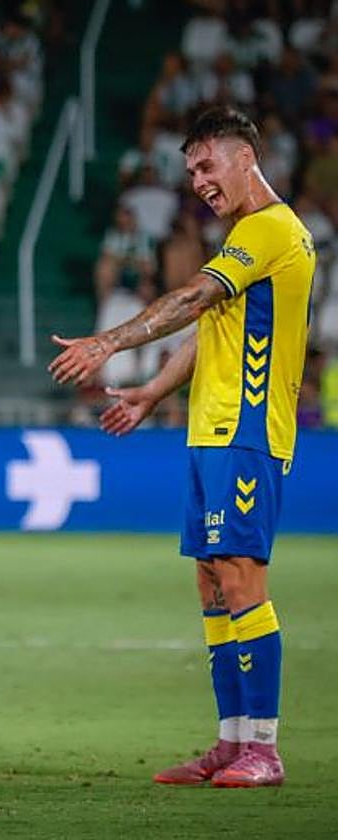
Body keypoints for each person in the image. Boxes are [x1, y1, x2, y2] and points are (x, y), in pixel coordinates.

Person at [49, 106, 315, 788]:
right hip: (212, 430)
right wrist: (151, 392)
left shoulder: (272, 229)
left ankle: (266, 747)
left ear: (245, 159)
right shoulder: (242, 242)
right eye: (190, 169)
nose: (197, 181)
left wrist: (110, 342)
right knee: (210, 581)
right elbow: (211, 331)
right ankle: (230, 742)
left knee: (240, 576)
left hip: (249, 432)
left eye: (206, 165)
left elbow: (194, 300)